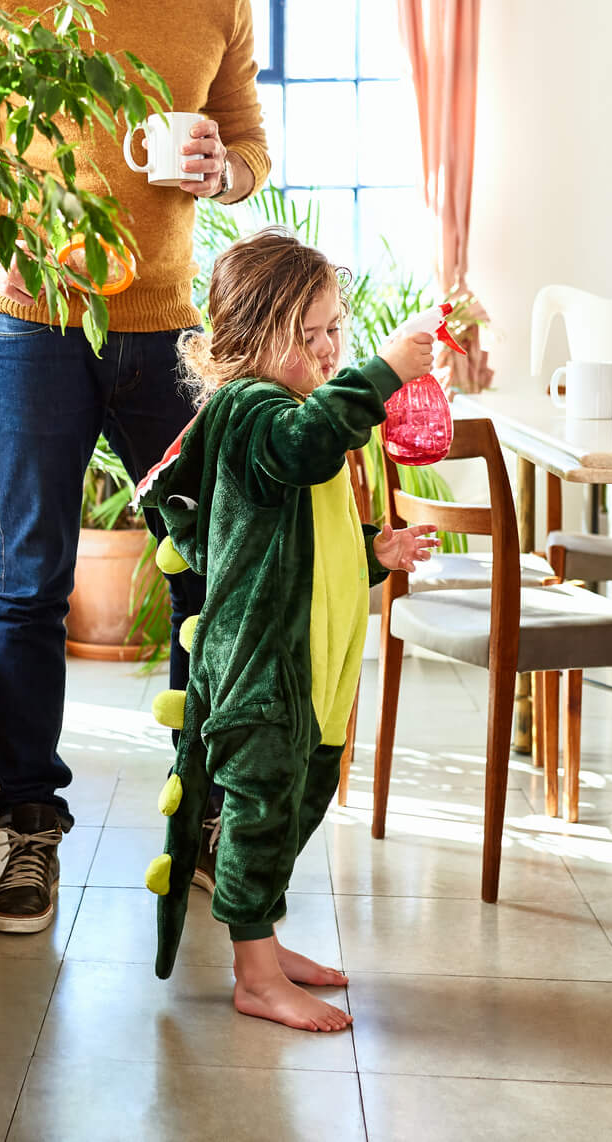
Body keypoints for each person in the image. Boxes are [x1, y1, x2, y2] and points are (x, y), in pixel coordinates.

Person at [0, 0, 270, 935]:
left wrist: (220, 170)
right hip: (32, 325)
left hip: (166, 331)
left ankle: (200, 821)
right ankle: (30, 830)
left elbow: (248, 145)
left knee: (210, 571)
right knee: (32, 582)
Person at [137, 230, 437, 1032]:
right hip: (261, 664)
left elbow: (311, 546)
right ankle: (254, 975)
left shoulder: (300, 408)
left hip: (316, 666)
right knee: (260, 810)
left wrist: (377, 553)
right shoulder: (250, 410)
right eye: (312, 336)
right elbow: (300, 454)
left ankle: (262, 943)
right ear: (252, 337)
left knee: (297, 804)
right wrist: (384, 374)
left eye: (337, 329)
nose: (333, 347)